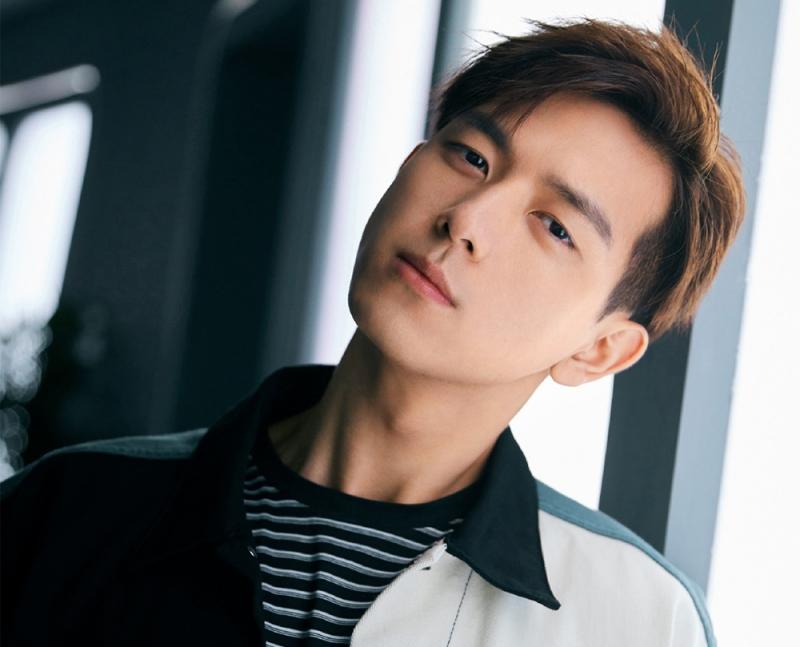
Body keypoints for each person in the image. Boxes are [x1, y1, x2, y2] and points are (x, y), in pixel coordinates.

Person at [1, 17, 744, 647]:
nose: (467, 219)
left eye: (554, 226)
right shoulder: (66, 509)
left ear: (600, 348)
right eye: (472, 157)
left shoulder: (640, 620)